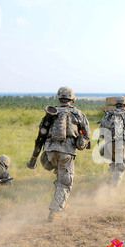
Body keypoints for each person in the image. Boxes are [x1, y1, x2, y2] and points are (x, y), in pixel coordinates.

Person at [35, 86, 91, 222]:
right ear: (72, 99)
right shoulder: (77, 113)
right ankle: (54, 211)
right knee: (65, 183)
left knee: (61, 177)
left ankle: (62, 202)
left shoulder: (50, 113)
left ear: (58, 98)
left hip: (50, 152)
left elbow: (41, 131)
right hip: (66, 153)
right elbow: (87, 133)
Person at [98, 96, 125, 186]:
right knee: (121, 166)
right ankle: (113, 188)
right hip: (120, 143)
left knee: (114, 161)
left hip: (108, 143)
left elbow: (101, 129)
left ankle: (110, 179)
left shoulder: (108, 114)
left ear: (116, 104)